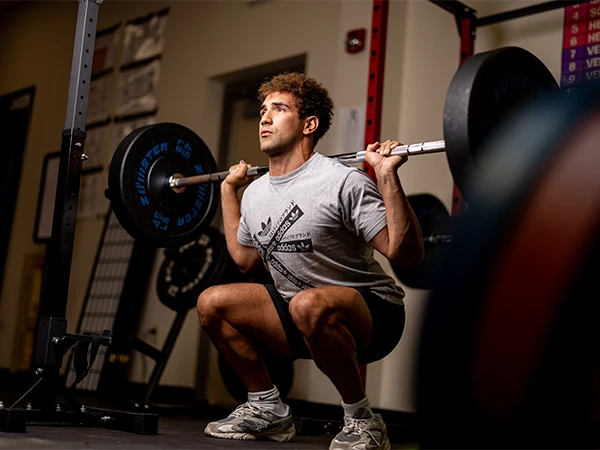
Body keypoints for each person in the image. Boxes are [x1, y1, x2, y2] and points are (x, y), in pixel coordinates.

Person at [196, 71, 424, 450]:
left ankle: (363, 422)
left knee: (307, 303)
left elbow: (407, 254)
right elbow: (243, 260)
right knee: (212, 303)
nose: (265, 118)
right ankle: (266, 408)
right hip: (298, 311)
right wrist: (227, 191)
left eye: (279, 109)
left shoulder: (342, 182)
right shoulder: (254, 194)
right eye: (263, 110)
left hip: (374, 314)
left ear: (309, 124)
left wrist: (386, 176)